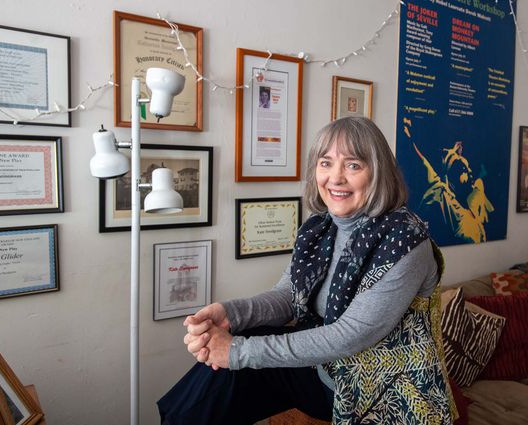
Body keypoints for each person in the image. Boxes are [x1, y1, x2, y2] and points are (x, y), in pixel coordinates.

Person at [158, 117, 457, 425]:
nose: (335, 178)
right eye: (325, 163)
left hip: (376, 394)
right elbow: (288, 296)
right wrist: (229, 315)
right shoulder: (318, 229)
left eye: (353, 165)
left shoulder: (406, 242)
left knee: (238, 353)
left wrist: (236, 351)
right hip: (323, 374)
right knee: (215, 382)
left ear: (378, 173)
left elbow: (350, 335)